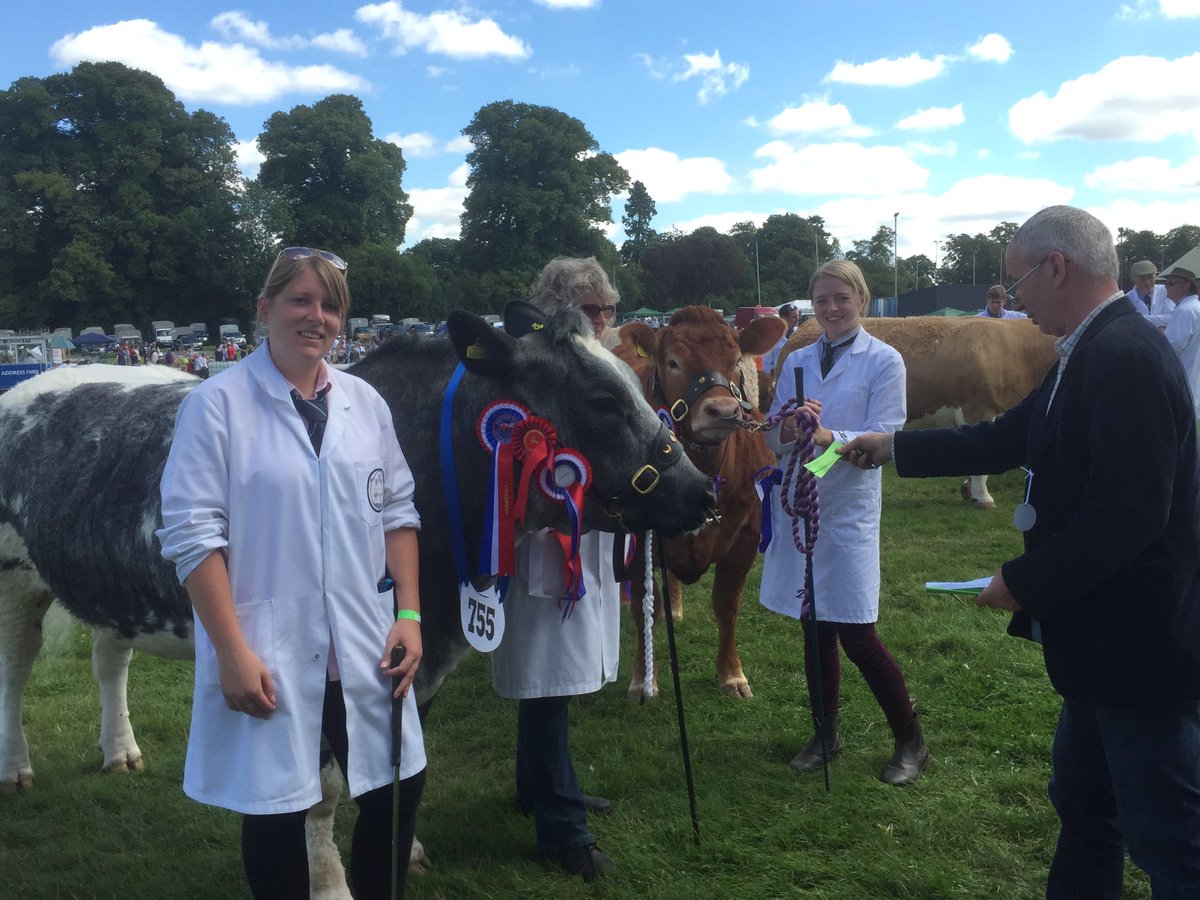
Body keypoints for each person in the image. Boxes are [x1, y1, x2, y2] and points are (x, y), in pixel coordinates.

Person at [840, 206, 1200, 897]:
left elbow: (1128, 516)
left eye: (1019, 280)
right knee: (1087, 808)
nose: (1014, 298)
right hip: (1102, 648)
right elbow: (1006, 438)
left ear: (1056, 266)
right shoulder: (1092, 350)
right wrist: (895, 447)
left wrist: (1024, 579)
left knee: (1169, 837)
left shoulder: (1122, 357)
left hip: (1139, 650)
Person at [157, 246, 426, 900]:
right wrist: (231, 652)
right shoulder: (217, 405)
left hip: (364, 641)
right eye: (301, 300)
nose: (317, 316)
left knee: (399, 784)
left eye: (330, 304)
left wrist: (410, 616)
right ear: (265, 308)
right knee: (277, 803)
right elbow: (194, 538)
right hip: (268, 645)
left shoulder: (364, 401)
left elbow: (398, 511)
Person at [760, 259, 929, 786]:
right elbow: (773, 436)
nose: (831, 309)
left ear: (863, 300)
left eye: (841, 298)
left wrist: (826, 439)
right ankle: (824, 733)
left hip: (848, 507)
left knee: (856, 631)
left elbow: (883, 438)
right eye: (822, 300)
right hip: (803, 507)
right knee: (814, 629)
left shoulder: (885, 362)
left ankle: (911, 740)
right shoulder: (798, 359)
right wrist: (789, 428)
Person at [490, 256, 621, 881]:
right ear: (558, 310)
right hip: (541, 537)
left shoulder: (600, 362)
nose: (602, 320)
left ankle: (535, 789)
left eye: (607, 310)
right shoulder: (530, 372)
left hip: (584, 531)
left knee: (555, 681)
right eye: (589, 310)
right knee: (546, 677)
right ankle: (563, 828)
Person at [1162, 264, 1200, 419]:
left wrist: (1160, 335)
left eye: (1171, 283)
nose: (1166, 287)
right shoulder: (1195, 307)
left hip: (1183, 381)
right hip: (1193, 382)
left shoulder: (1185, 311)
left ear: (1186, 286)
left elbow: (1173, 346)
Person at [1126, 258, 1173, 328]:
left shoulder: (1166, 291)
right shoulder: (1127, 299)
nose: (1148, 283)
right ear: (1133, 280)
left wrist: (1140, 319)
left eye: (1150, 277)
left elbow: (1173, 317)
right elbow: (1128, 323)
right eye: (1143, 279)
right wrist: (1160, 323)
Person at [762, 303, 802, 375]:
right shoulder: (772, 336)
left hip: (797, 375)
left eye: (798, 316)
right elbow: (766, 361)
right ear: (784, 318)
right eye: (794, 317)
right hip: (779, 376)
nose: (797, 319)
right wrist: (771, 374)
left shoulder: (801, 333)